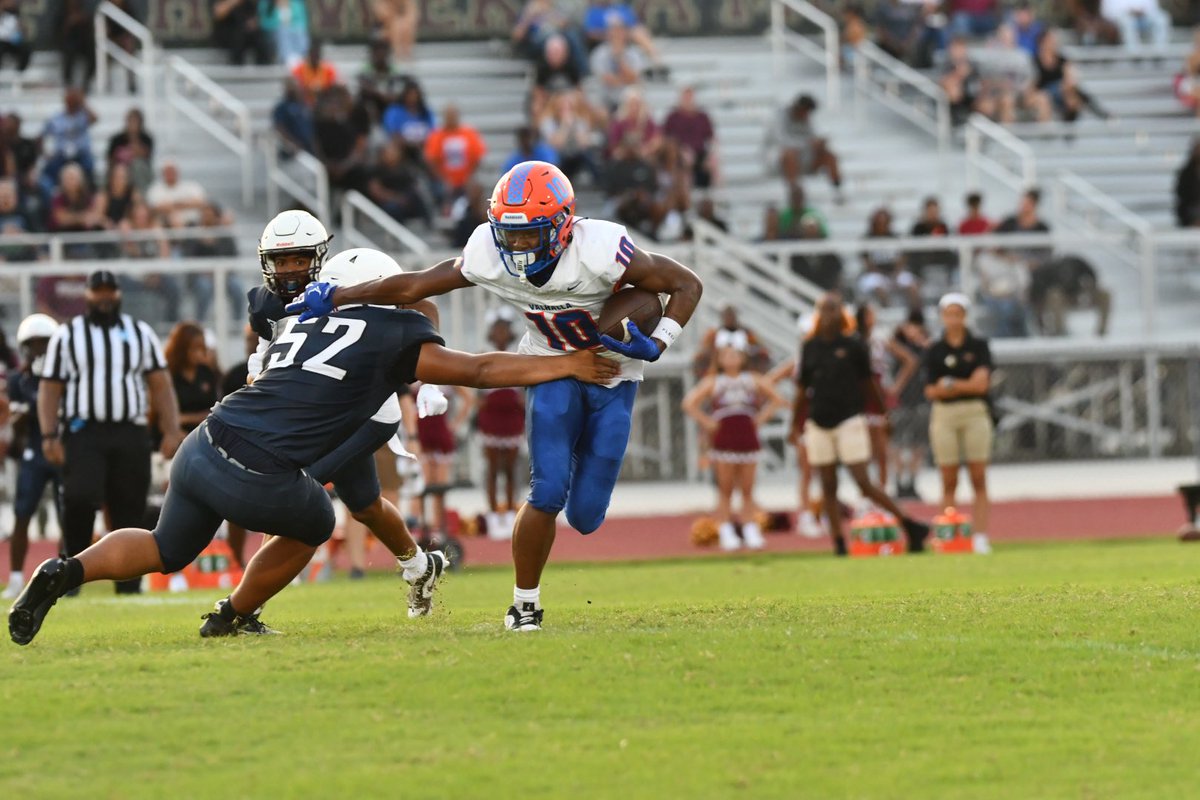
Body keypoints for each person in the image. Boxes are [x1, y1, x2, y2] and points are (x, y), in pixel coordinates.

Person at [9, 250, 619, 646]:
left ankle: (63, 571)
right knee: (315, 517)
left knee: (164, 546)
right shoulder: (392, 331)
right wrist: (565, 365)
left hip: (204, 443)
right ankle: (233, 614)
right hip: (257, 466)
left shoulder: (306, 320)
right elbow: (481, 371)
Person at [287, 160, 703, 631]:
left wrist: (661, 339)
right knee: (546, 492)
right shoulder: (488, 251)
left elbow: (687, 284)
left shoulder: (601, 249)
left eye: (529, 235)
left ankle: (558, 532)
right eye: (509, 233)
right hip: (549, 367)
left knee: (586, 515)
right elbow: (417, 284)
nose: (517, 245)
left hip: (614, 375)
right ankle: (525, 604)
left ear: (564, 226)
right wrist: (337, 296)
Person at [243, 211, 455, 616]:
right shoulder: (265, 305)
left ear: (319, 258)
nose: (290, 270)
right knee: (365, 504)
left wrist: (429, 378)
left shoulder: (347, 282)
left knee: (287, 486)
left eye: (299, 259)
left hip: (361, 410)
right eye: (281, 261)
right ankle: (418, 565)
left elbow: (420, 303)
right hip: (313, 413)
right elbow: (277, 348)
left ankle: (247, 607)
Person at [35, 270, 185, 596]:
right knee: (78, 498)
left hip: (130, 431)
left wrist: (171, 429)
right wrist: (48, 435)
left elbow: (160, 384)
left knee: (129, 508)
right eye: (97, 292)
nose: (104, 297)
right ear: (87, 296)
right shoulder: (67, 335)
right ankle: (68, 577)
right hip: (83, 432)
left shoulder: (140, 333)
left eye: (109, 291)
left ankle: (129, 585)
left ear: (118, 294)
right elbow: (50, 389)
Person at [789, 293, 929, 557]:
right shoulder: (810, 347)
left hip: (849, 418)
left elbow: (869, 384)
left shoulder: (853, 345)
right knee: (828, 484)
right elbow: (801, 390)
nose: (829, 315)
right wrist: (794, 424)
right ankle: (839, 542)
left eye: (833, 310)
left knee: (862, 481)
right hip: (819, 420)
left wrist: (884, 415)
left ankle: (908, 522)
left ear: (842, 314)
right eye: (824, 310)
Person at [683, 339, 787, 551]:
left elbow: (777, 399)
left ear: (743, 358)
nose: (731, 359)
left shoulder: (753, 379)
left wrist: (760, 419)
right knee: (725, 489)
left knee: (748, 489)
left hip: (747, 436)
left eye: (736, 354)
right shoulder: (714, 381)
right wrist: (709, 423)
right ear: (719, 359)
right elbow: (689, 403)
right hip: (725, 437)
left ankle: (750, 528)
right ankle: (725, 528)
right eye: (727, 355)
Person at [924, 293, 994, 554]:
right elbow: (931, 390)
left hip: (974, 411)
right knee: (948, 478)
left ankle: (980, 536)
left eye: (958, 313)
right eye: (948, 314)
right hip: (945, 414)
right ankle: (948, 533)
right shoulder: (935, 349)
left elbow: (981, 384)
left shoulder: (977, 345)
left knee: (978, 476)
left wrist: (951, 384)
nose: (953, 319)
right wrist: (960, 385)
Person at [2, 314, 62, 600]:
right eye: (34, 344)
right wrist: (21, 415)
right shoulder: (19, 381)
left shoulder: (66, 376)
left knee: (68, 514)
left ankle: (69, 576)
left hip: (62, 450)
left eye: (44, 343)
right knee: (22, 511)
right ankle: (15, 577)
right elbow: (14, 425)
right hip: (34, 451)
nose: (39, 349)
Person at [476, 308, 525, 541]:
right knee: (493, 469)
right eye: (496, 330)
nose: (500, 333)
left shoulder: (520, 353)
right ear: (491, 333)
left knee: (511, 468)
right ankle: (494, 514)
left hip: (513, 418)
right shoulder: (483, 354)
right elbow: (477, 388)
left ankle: (511, 513)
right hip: (491, 418)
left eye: (504, 329)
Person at [890, 309, 931, 499]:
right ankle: (899, 482)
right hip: (900, 402)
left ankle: (912, 482)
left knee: (919, 444)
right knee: (896, 443)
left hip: (921, 401)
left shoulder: (927, 347)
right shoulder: (897, 345)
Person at [772, 94, 843, 202]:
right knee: (789, 154)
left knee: (829, 155)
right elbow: (781, 140)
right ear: (800, 109)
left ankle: (838, 190)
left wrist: (819, 143)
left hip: (803, 159)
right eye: (806, 112)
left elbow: (813, 137)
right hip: (778, 159)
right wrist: (808, 144)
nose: (807, 116)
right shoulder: (780, 117)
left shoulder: (807, 120)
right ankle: (793, 191)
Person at [423, 105, 487, 203]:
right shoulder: (437, 135)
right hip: (444, 181)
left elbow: (478, 157)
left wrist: (469, 176)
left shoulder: (469, 133)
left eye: (453, 115)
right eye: (448, 116)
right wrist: (443, 179)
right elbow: (431, 161)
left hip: (466, 179)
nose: (451, 118)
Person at [164, 323, 219, 435]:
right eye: (195, 349)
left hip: (205, 434)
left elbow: (214, 407)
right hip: (177, 435)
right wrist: (194, 417)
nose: (199, 353)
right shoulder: (169, 375)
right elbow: (164, 414)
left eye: (202, 348)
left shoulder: (206, 372)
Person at [663, 86, 717, 190]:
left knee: (712, 164)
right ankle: (685, 197)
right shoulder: (673, 117)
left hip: (700, 154)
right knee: (685, 161)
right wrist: (679, 150)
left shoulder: (702, 116)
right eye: (685, 96)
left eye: (690, 96)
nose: (688, 99)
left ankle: (714, 198)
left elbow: (712, 139)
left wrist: (711, 155)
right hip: (678, 154)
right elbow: (665, 138)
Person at [146, 161, 208, 229]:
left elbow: (201, 202)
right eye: (167, 171)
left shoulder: (191, 186)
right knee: (173, 218)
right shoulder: (155, 189)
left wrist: (173, 205)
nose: (170, 174)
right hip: (166, 224)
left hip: (194, 222)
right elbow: (155, 207)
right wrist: (184, 204)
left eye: (172, 171)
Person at [211, 0, 273, 65]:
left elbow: (256, 15)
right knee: (238, 37)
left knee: (262, 39)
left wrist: (254, 22)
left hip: (247, 33)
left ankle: (264, 67)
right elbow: (218, 13)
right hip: (227, 34)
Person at [1102, 0, 1170, 51]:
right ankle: (1134, 55)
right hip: (1120, 18)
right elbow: (1107, 12)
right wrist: (1128, 11)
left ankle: (1159, 52)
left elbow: (1153, 8)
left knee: (1162, 18)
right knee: (1128, 21)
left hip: (1144, 17)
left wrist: (1141, 11)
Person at [259, 0, 309, 67]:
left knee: (300, 32)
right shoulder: (266, 4)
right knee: (283, 31)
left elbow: (303, 23)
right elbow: (264, 24)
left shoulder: (297, 4)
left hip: (294, 32)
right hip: (273, 34)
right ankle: (289, 59)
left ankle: (301, 56)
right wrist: (280, 25)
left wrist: (290, 27)